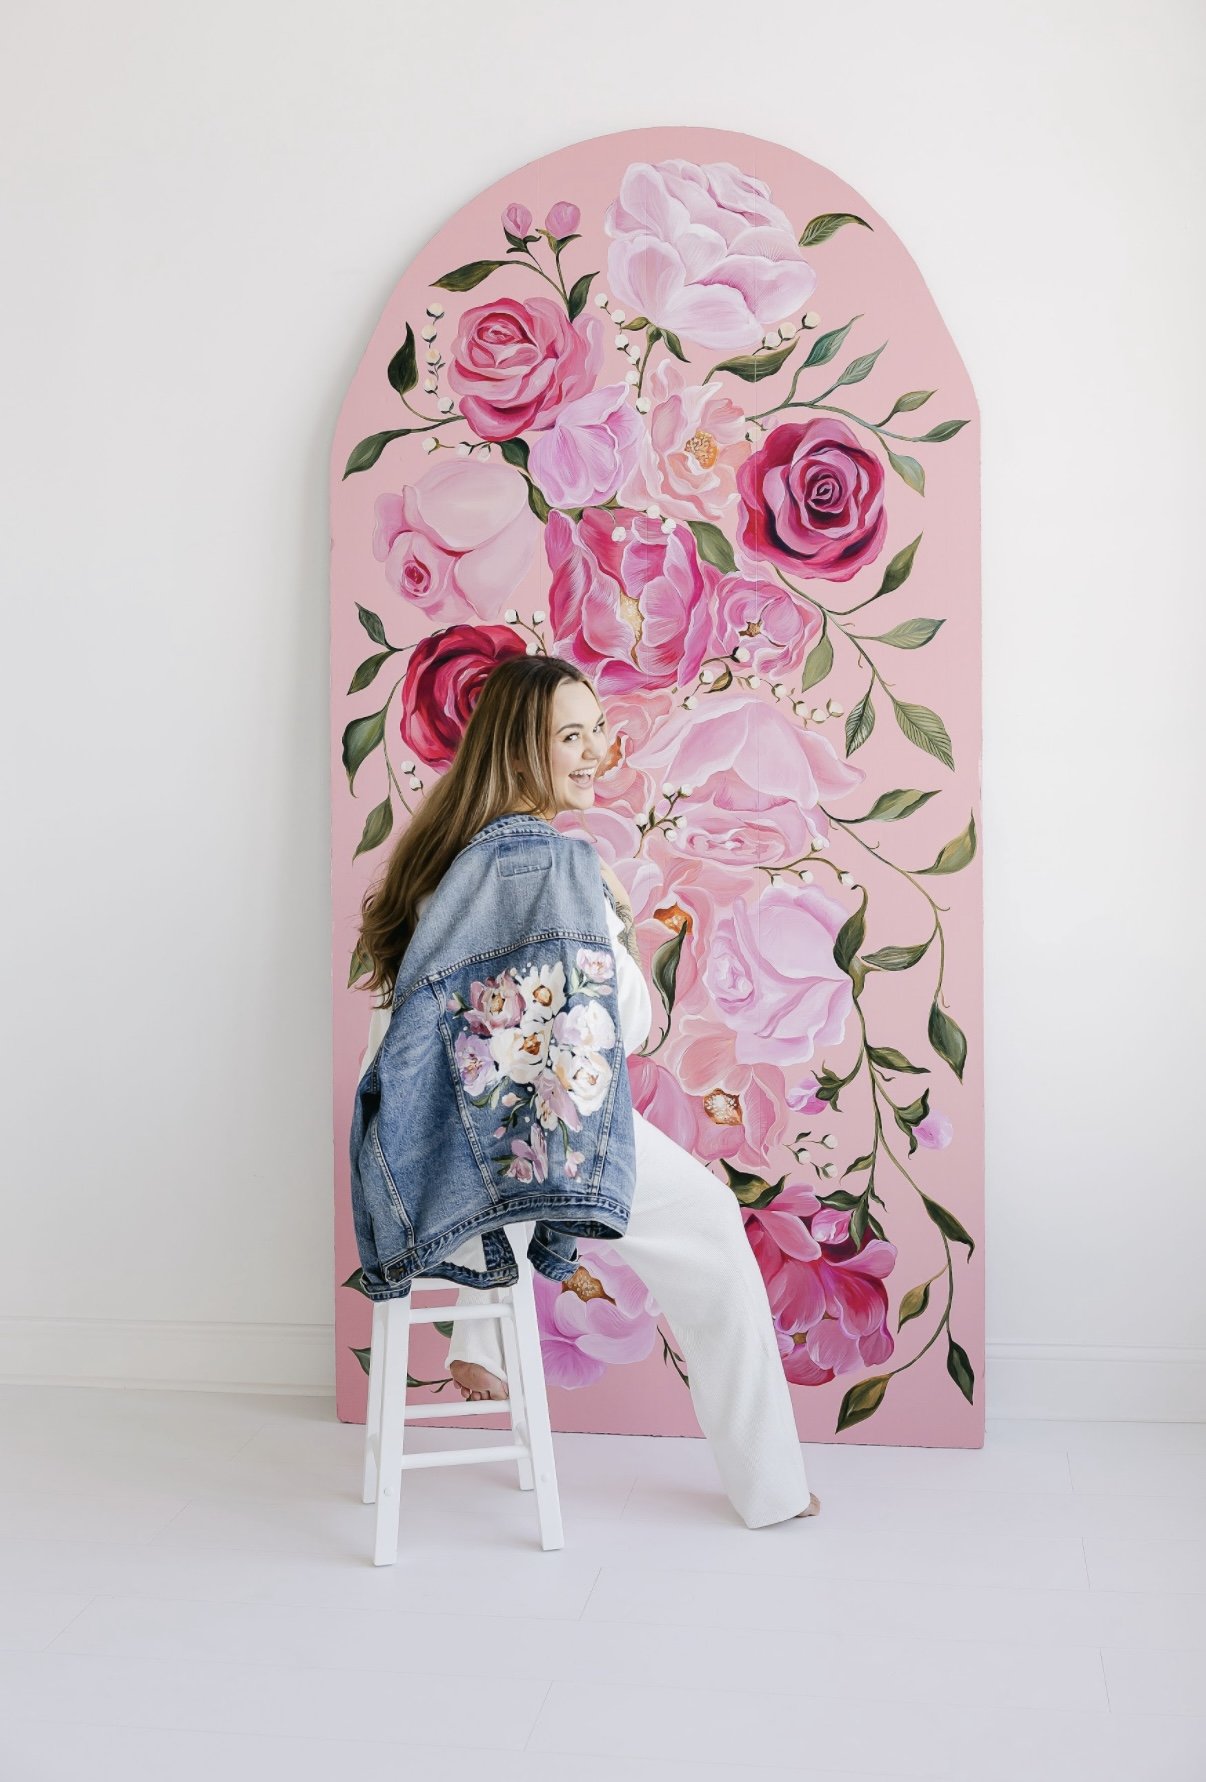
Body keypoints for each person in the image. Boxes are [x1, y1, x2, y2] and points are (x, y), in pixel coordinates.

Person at [356, 652, 820, 1528]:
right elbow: (630, 1029)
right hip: (532, 1140)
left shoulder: (443, 859)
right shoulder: (567, 872)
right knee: (706, 1224)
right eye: (571, 735)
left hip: (437, 1148)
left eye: (596, 728)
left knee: (518, 1118)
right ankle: (773, 1493)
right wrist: (621, 924)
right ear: (522, 752)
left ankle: (480, 1337)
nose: (596, 749)